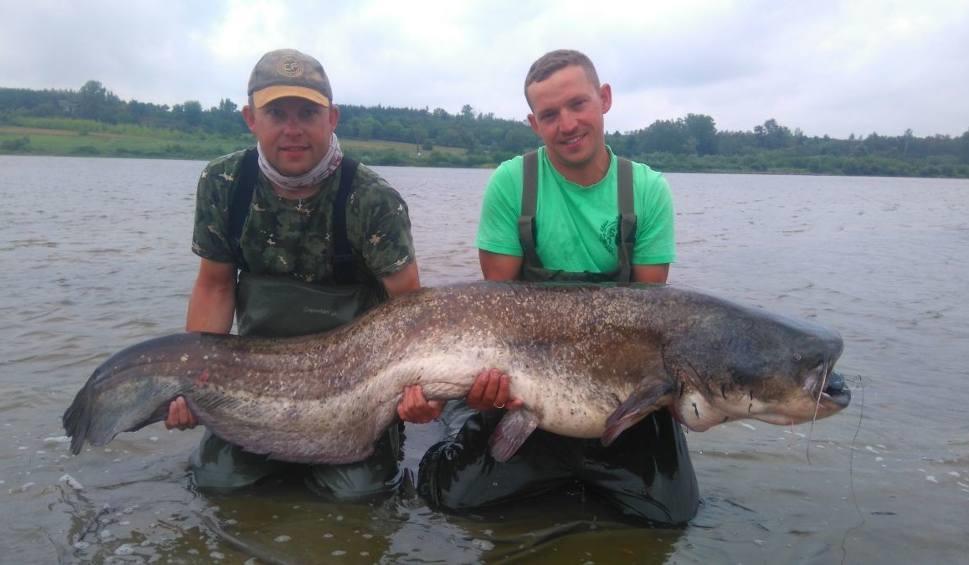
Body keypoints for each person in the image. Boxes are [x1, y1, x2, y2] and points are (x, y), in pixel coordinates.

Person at [414, 49, 699, 525]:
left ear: (604, 99)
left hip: (619, 390)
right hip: (526, 380)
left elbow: (655, 319)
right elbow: (493, 310)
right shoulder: (512, 183)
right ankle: (463, 415)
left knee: (671, 517)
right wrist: (492, 392)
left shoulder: (647, 190)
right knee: (450, 499)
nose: (567, 124)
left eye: (578, 105)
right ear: (534, 123)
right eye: (550, 115)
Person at [164, 48, 425, 499]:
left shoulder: (373, 200)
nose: (292, 130)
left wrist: (416, 394)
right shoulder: (224, 183)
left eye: (307, 112)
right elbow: (214, 285)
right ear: (250, 118)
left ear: (332, 118)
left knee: (357, 495)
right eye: (276, 113)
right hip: (255, 380)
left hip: (356, 387)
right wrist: (192, 381)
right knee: (216, 483)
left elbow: (415, 313)